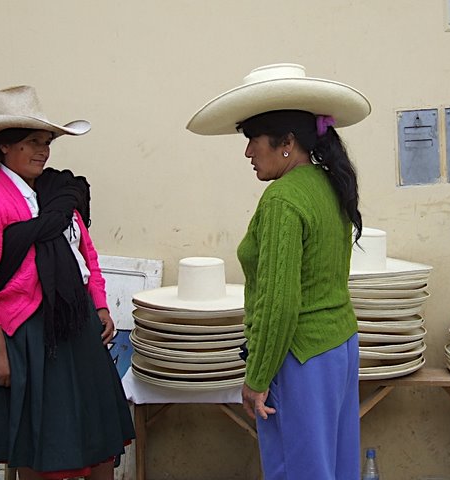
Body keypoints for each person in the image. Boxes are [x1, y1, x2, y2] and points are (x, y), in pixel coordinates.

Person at [187, 64, 371, 479]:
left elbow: (279, 302)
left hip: (299, 356)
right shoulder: (326, 184)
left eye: (253, 139)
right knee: (336, 466)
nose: (248, 152)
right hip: (338, 347)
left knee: (299, 469)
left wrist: (257, 376)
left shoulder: (282, 200)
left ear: (287, 142)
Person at [0, 85, 135, 480]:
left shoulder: (56, 194)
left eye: (46, 142)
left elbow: (86, 253)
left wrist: (99, 304)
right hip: (25, 338)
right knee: (43, 441)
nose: (43, 151)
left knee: (98, 432)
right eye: (32, 142)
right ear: (4, 147)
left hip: (75, 326)